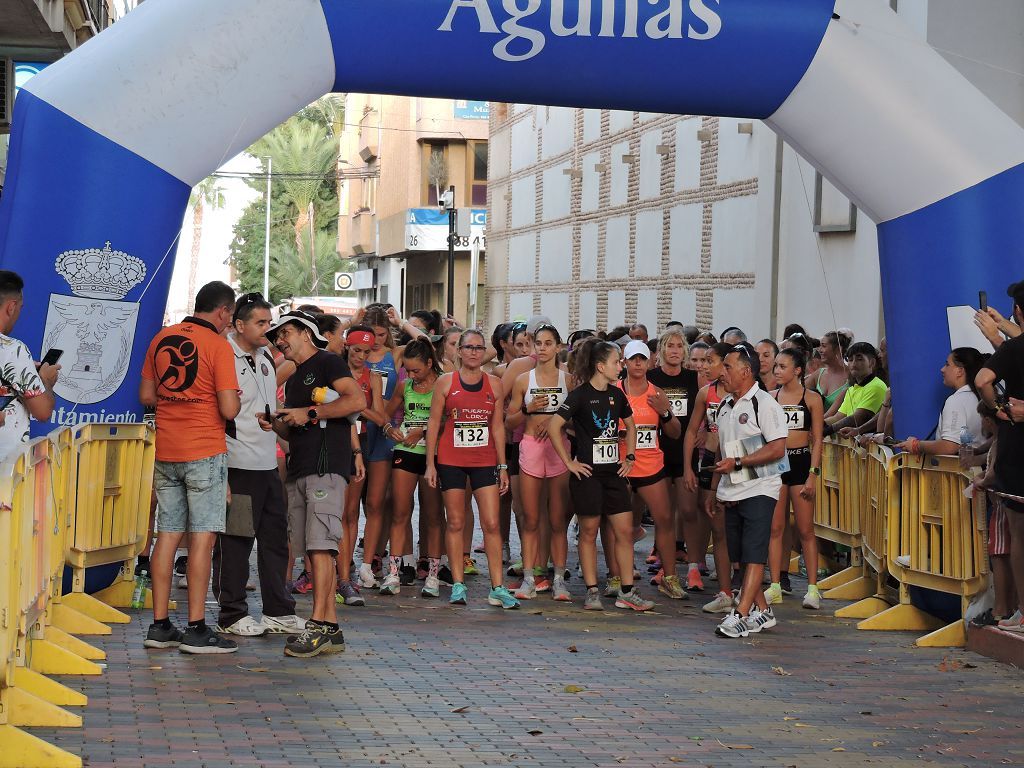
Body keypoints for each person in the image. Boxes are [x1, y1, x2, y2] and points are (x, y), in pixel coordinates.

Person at [141, 281, 241, 654]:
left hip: (167, 450)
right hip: (204, 451)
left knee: (166, 535)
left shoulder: (160, 338)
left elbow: (147, 396)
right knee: (202, 538)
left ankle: (160, 626)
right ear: (223, 312)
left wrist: (177, 400)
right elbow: (230, 409)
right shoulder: (218, 345)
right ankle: (197, 628)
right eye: (230, 316)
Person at [259, 310, 366, 657]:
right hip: (301, 466)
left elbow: (357, 401)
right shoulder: (294, 378)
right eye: (276, 336)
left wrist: (312, 413)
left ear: (306, 333)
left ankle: (318, 626)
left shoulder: (329, 362)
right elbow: (294, 429)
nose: (280, 341)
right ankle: (329, 627)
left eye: (286, 333)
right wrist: (276, 423)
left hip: (326, 466)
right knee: (311, 546)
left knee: (322, 546)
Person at [211, 293, 306, 638]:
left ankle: (278, 610)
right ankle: (231, 613)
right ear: (239, 324)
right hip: (236, 463)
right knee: (235, 541)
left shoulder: (267, 354)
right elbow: (217, 414)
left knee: (275, 539)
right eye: (260, 323)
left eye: (269, 322)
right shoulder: (223, 355)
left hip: (267, 463)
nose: (268, 329)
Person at [547, 337, 654, 612]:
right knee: (589, 531)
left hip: (613, 473)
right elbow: (554, 425)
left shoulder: (617, 394)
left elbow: (630, 426)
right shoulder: (580, 395)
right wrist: (569, 462)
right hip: (587, 474)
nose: (621, 366)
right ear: (600, 366)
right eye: (616, 362)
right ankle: (592, 590)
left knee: (624, 532)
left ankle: (627, 591)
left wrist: (629, 456)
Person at [425, 329, 518, 609]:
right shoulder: (445, 382)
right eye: (469, 347)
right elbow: (433, 424)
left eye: (479, 348)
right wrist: (430, 463)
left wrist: (503, 465)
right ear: (460, 351)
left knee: (491, 523)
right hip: (451, 460)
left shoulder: (495, 384)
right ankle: (457, 584)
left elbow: (498, 426)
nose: (474, 352)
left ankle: (498, 587)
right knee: (455, 522)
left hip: (485, 460)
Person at [706, 343, 789, 638]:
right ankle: (763, 611)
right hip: (732, 490)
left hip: (761, 489)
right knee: (740, 555)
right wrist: (714, 489)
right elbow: (721, 454)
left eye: (727, 367)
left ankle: (740, 614)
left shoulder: (764, 404)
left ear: (745, 371)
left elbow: (778, 448)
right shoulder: (724, 406)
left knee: (754, 555)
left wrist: (740, 461)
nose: (721, 372)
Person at [505, 324, 573, 601]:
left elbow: (577, 419)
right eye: (539, 344)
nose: (543, 348)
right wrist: (527, 410)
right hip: (531, 447)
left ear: (558, 348)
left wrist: (560, 425)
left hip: (559, 451)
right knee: (531, 518)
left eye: (548, 343)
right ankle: (530, 578)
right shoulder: (524, 379)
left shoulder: (569, 380)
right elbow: (509, 422)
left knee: (558, 520)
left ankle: (558, 579)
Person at [616, 340, 685, 599]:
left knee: (665, 519)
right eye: (632, 358)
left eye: (642, 359)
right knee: (620, 526)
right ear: (624, 362)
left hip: (650, 465)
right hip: (621, 466)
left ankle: (669, 577)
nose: (637, 363)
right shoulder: (615, 392)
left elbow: (675, 432)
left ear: (649, 362)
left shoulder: (657, 393)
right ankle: (616, 576)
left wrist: (665, 412)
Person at [976, 280, 1024, 633]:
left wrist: (1000, 407)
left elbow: (983, 379)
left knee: (1020, 536)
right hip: (1013, 454)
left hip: (1016, 453)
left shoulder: (1014, 349)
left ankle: (1020, 612)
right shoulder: (1013, 346)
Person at [382, 338, 445, 598]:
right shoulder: (405, 385)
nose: (412, 375)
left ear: (430, 364)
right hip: (406, 451)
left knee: (432, 515)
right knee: (400, 511)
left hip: (434, 453)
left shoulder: (443, 384)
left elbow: (449, 420)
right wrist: (390, 429)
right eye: (408, 370)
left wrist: (425, 430)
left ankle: (432, 574)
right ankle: (394, 573)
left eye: (416, 370)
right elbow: (385, 413)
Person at [764, 348, 825, 609]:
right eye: (775, 366)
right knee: (775, 528)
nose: (777, 371)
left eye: (782, 366)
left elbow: (818, 439)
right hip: (777, 464)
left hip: (801, 462)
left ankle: (812, 589)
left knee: (805, 529)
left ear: (797, 370)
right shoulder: (769, 397)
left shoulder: (812, 399)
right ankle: (775, 584)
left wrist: (813, 475)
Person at [646, 327, 701, 591]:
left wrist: (704, 433)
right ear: (662, 351)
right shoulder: (650, 377)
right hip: (656, 449)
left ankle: (693, 567)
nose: (675, 351)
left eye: (680, 346)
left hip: (685, 450)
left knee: (689, 510)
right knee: (663, 514)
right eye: (670, 346)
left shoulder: (693, 378)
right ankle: (664, 566)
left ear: (685, 351)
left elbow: (703, 412)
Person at [682, 343, 735, 612]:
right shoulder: (706, 393)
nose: (703, 366)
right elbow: (692, 431)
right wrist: (688, 467)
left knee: (738, 530)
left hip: (742, 468)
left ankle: (749, 591)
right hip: (712, 462)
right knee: (716, 525)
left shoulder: (748, 393)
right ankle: (726, 591)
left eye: (710, 361)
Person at [337, 326, 383, 597]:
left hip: (363, 443)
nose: (361, 356)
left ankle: (346, 570)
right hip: (339, 441)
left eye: (366, 352)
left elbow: (379, 416)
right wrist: (356, 407)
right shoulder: (336, 372)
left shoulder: (373, 377)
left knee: (352, 512)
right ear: (347, 348)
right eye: (356, 350)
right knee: (338, 512)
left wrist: (351, 405)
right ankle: (334, 568)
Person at [0, 270, 59, 463]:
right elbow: (42, 411)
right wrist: (45, 380)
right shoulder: (13, 351)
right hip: (5, 466)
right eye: (20, 308)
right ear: (11, 307)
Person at [896, 348, 985, 457]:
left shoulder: (956, 401)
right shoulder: (980, 398)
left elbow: (950, 446)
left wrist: (916, 445)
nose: (942, 369)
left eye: (947, 364)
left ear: (960, 371)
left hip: (960, 471)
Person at [824, 342, 887, 436]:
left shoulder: (876, 386)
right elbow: (838, 417)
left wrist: (825, 431)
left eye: (859, 359)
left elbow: (858, 418)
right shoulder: (852, 389)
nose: (853, 363)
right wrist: (817, 425)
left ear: (872, 363)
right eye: (850, 359)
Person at [811, 331, 852, 417]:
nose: (819, 350)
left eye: (824, 346)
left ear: (838, 349)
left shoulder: (851, 375)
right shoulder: (819, 373)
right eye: (820, 346)